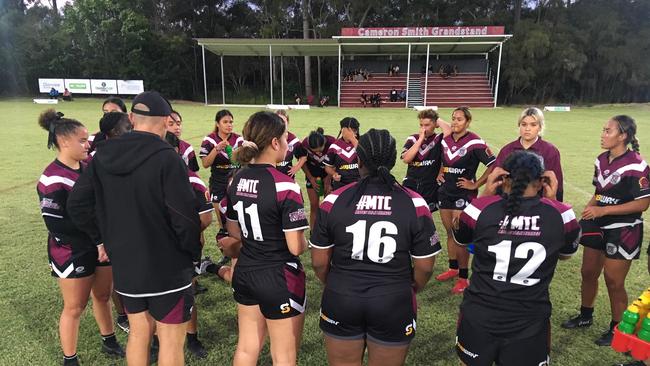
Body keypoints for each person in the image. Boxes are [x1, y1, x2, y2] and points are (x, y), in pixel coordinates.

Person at [67, 91, 202, 366]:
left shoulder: (101, 157)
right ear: (166, 121)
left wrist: (101, 239)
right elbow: (185, 218)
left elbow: (77, 205)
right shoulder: (168, 158)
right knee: (170, 338)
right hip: (168, 267)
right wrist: (191, 254)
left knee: (139, 333)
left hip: (126, 265)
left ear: (131, 118)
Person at [310, 128, 441, 366]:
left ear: (358, 159)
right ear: (392, 161)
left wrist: (335, 283)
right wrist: (411, 288)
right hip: (393, 299)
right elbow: (424, 267)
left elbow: (319, 262)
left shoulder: (334, 200)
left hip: (342, 296)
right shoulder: (414, 202)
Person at [453, 150, 580, 366]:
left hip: (481, 313)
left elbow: (460, 241)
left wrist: (484, 195)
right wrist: (552, 201)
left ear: (504, 179)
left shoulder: (480, 208)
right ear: (542, 181)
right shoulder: (562, 215)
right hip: (529, 318)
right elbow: (565, 255)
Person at [36, 109, 124, 366]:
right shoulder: (51, 179)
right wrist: (96, 240)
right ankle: (70, 358)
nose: (89, 144)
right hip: (72, 249)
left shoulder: (88, 166)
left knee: (103, 296)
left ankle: (109, 340)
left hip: (101, 244)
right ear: (64, 142)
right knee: (75, 307)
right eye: (83, 140)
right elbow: (57, 224)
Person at [225, 111, 309, 366]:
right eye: (284, 138)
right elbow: (295, 246)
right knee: (283, 354)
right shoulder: (286, 186)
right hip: (276, 275)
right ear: (274, 142)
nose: (287, 144)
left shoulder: (236, 180)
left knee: (247, 347)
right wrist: (305, 242)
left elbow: (234, 232)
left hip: (245, 269)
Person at [561, 115, 650, 347]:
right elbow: (600, 192)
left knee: (613, 280)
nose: (603, 134)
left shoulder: (637, 165)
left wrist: (604, 211)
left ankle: (617, 328)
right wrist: (591, 206)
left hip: (624, 228)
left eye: (608, 131)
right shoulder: (601, 159)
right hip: (597, 223)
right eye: (603, 129)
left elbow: (643, 204)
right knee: (588, 272)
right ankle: (585, 316)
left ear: (623, 136)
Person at [436, 107, 496, 294]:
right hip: (445, 192)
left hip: (463, 195)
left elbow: (494, 165)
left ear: (468, 122)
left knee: (460, 236)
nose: (455, 122)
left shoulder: (475, 142)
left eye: (459, 119)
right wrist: (440, 172)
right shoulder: (445, 140)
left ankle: (463, 277)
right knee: (449, 232)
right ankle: (453, 268)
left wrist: (475, 184)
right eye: (453, 119)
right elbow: (442, 160)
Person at [165, 131, 213, 359]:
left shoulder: (192, 179)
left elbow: (205, 218)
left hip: (185, 248)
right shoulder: (146, 177)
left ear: (176, 152)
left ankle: (192, 337)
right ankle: (157, 339)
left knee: (188, 292)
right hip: (155, 251)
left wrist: (184, 237)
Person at [494, 107, 564, 201]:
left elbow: (556, 182)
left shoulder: (550, 151)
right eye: (524, 124)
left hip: (538, 205)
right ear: (519, 126)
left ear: (540, 127)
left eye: (533, 125)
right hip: (509, 203)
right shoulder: (507, 150)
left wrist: (555, 206)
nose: (527, 129)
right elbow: (496, 178)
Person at [402, 109, 451, 213]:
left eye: (427, 125)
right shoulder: (413, 138)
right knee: (409, 211)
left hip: (430, 184)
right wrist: (420, 139)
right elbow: (406, 159)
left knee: (426, 213)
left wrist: (438, 120)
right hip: (411, 182)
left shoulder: (439, 138)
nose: (423, 128)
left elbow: (450, 130)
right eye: (421, 125)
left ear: (435, 124)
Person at [200, 109, 244, 206]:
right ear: (217, 124)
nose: (229, 125)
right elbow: (205, 164)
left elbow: (240, 163)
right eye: (225, 122)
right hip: (217, 182)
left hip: (235, 181)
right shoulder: (209, 140)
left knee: (235, 217)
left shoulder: (239, 139)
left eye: (231, 122)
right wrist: (217, 149)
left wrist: (230, 151)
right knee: (221, 218)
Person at [296, 127, 336, 229]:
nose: (318, 154)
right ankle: (313, 233)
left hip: (329, 174)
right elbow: (302, 162)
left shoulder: (332, 142)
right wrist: (311, 178)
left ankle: (328, 233)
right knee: (314, 205)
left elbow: (337, 161)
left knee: (329, 206)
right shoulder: (304, 144)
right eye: (315, 152)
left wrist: (328, 178)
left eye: (320, 151)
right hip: (312, 174)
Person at [324, 117, 361, 191]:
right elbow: (327, 167)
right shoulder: (334, 146)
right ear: (342, 130)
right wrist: (334, 174)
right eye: (350, 131)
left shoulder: (362, 143)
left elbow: (366, 160)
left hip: (359, 184)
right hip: (341, 185)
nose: (353, 133)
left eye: (354, 131)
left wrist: (353, 140)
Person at [275, 110, 307, 177]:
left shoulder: (293, 140)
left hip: (287, 177)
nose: (281, 124)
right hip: (271, 178)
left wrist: (296, 167)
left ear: (288, 122)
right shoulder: (268, 137)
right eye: (278, 121)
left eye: (283, 121)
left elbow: (303, 156)